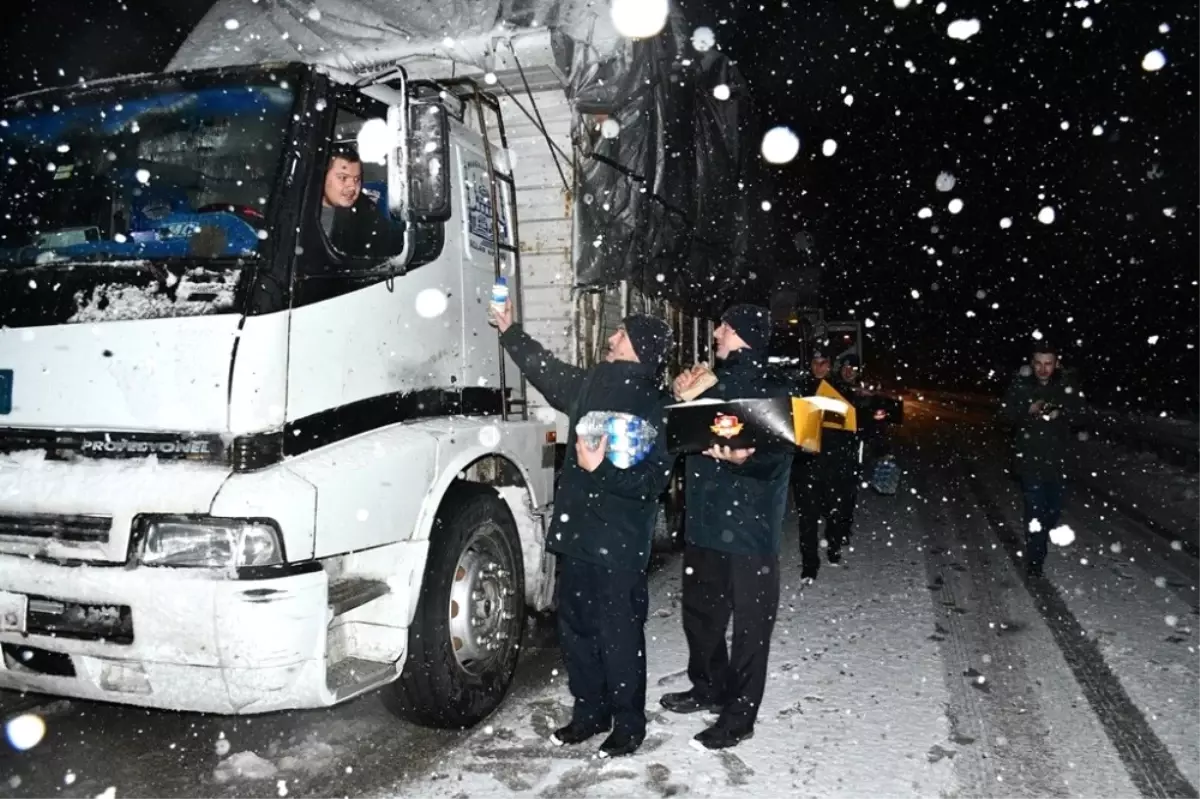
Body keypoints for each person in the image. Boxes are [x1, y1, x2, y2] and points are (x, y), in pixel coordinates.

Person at [490, 299, 675, 758]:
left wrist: (602, 472)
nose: (611, 338)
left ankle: (629, 724)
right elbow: (546, 371)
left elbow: (652, 481)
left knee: (619, 634)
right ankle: (590, 713)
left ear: (639, 348)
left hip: (619, 542)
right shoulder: (590, 383)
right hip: (576, 537)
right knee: (575, 632)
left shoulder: (658, 405)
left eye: (621, 334)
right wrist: (512, 331)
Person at [660, 303, 793, 750]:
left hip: (750, 532)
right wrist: (680, 398)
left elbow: (778, 459)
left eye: (727, 327)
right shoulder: (708, 382)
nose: (717, 332)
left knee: (751, 629)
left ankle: (739, 715)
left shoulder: (774, 389)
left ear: (746, 336)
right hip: (705, 525)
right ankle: (708, 687)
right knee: (700, 617)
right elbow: (677, 433)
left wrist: (744, 461)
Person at [1000, 342, 1082, 577]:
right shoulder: (1021, 386)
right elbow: (1004, 414)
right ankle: (1036, 558)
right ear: (1031, 364)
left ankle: (1039, 538)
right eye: (1039, 363)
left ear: (1056, 364)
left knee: (1053, 511)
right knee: (1035, 511)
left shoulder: (1066, 386)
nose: (1043, 369)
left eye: (1048, 363)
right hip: (1029, 461)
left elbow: (1082, 414)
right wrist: (1028, 408)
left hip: (1058, 462)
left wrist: (1061, 412)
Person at [790, 344, 866, 582]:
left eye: (823, 362)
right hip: (806, 465)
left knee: (835, 513)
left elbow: (858, 425)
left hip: (836, 465)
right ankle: (809, 566)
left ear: (831, 365)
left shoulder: (843, 390)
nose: (818, 367)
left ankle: (833, 546)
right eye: (815, 362)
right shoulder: (799, 388)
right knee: (807, 518)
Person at [320, 145, 395, 257]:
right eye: (343, 178)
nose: (352, 187)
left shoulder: (367, 214)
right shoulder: (297, 207)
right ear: (322, 176)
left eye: (357, 179)